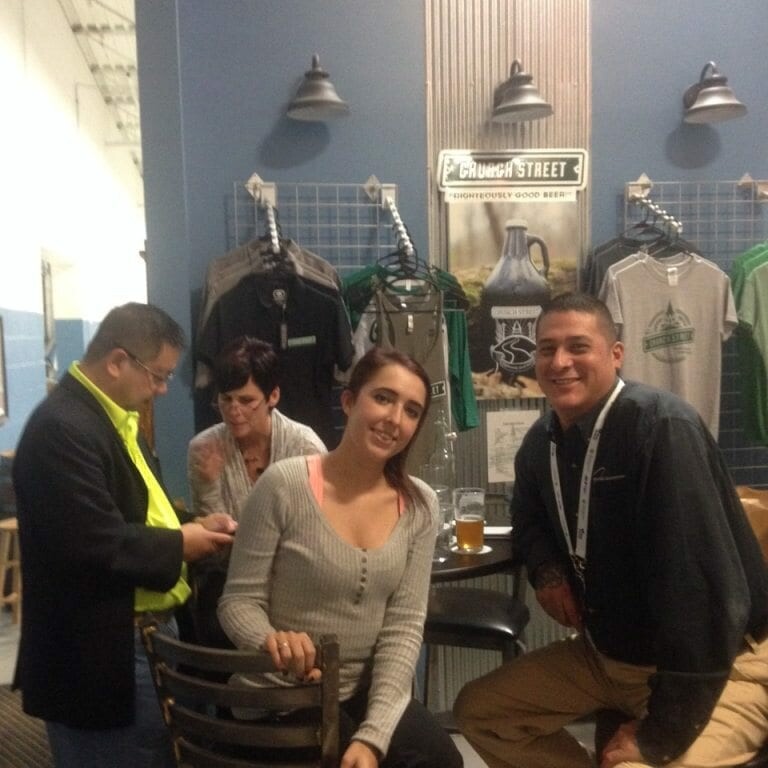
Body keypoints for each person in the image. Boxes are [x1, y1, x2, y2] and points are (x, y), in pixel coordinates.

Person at [454, 292, 768, 768]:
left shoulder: (661, 428)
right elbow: (529, 515)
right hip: (608, 656)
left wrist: (661, 733)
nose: (560, 362)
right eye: (546, 349)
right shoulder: (542, 443)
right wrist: (547, 572)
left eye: (578, 346)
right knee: (481, 713)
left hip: (721, 665)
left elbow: (702, 599)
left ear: (616, 354)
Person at [12, 302, 237, 768]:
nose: (159, 390)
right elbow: (96, 543)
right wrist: (183, 544)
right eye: (157, 376)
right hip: (100, 653)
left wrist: (188, 526)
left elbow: (137, 512)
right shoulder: (62, 428)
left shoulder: (109, 419)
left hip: (139, 639)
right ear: (117, 361)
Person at [218, 346, 464, 768]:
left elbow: (403, 628)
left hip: (363, 692)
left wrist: (375, 734)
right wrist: (272, 640)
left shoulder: (420, 505)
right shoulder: (283, 485)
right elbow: (237, 603)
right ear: (349, 401)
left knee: (441, 760)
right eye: (383, 398)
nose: (394, 419)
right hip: (281, 694)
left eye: (411, 410)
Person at [187, 334, 326, 645]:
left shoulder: (305, 446)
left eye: (247, 401)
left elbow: (315, 536)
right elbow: (213, 543)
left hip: (294, 585)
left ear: (272, 396)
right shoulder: (205, 447)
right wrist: (210, 485)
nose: (234, 411)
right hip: (230, 581)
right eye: (226, 399)